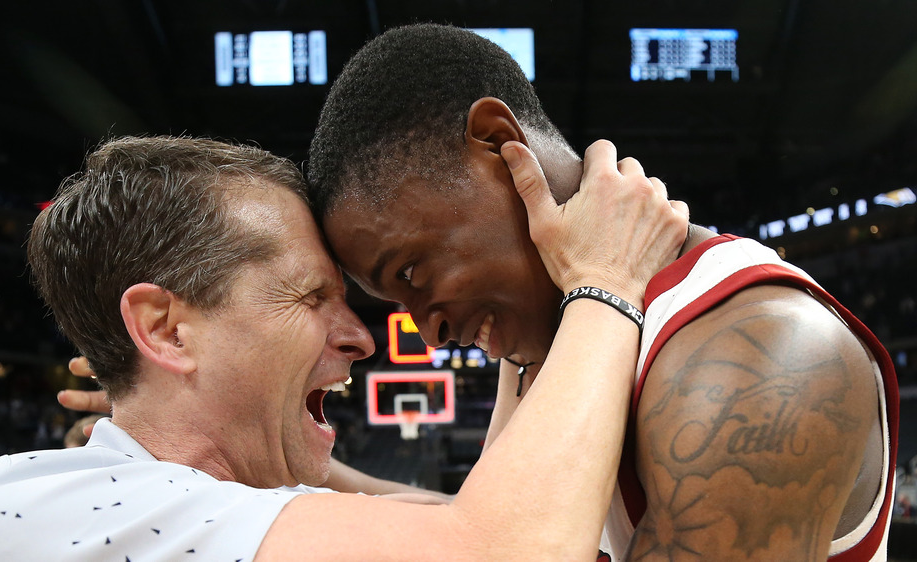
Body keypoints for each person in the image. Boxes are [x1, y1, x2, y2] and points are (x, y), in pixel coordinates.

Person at [0, 135, 688, 559]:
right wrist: (605, 280)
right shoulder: (47, 508)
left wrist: (252, 439)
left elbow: (462, 519)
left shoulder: (179, 505)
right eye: (311, 297)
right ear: (165, 330)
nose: (361, 336)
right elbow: (509, 552)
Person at [305, 24, 899, 561]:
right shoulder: (566, 334)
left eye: (412, 273)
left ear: (497, 145)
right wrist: (311, 475)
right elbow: (488, 532)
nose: (427, 331)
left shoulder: (763, 354)